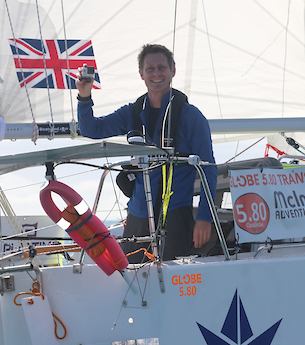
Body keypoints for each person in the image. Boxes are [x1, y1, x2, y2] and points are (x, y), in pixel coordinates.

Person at [76, 44, 217, 263]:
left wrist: (205, 219)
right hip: (138, 214)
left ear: (173, 70)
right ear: (141, 73)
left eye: (162, 67)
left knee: (171, 281)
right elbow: (91, 129)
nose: (156, 73)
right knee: (131, 279)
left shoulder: (191, 117)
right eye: (150, 69)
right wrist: (84, 97)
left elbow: (208, 169)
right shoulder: (132, 113)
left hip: (175, 214)